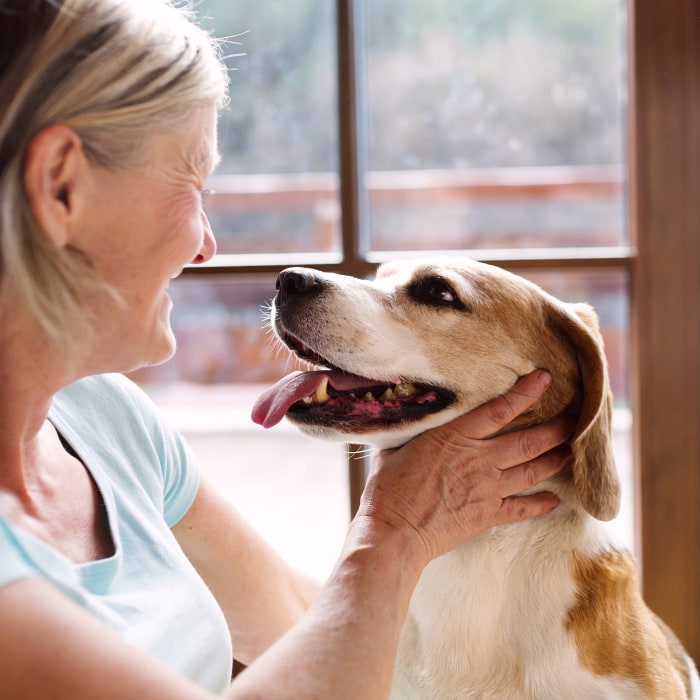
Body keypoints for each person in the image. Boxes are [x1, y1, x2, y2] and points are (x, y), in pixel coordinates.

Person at [0, 1, 572, 698]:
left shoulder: (105, 422)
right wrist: (390, 538)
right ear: (61, 184)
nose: (206, 243)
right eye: (193, 183)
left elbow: (296, 621)